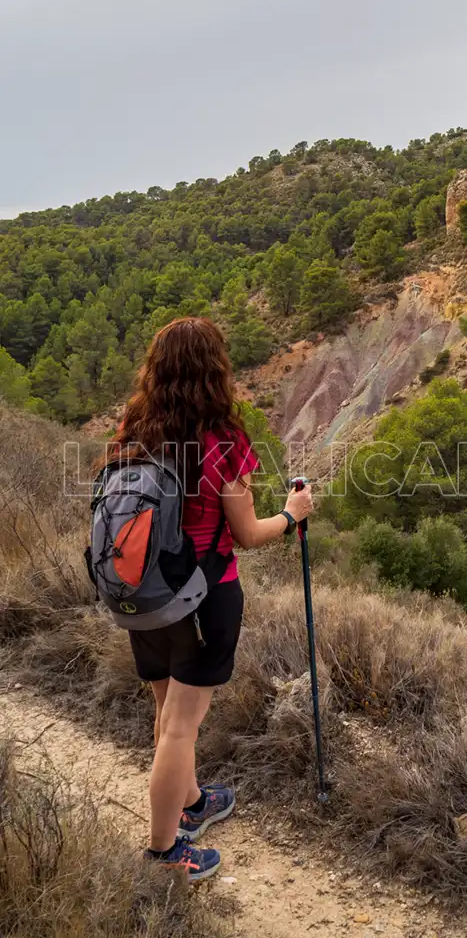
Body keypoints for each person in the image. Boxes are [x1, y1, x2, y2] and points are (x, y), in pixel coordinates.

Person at [110, 316, 313, 880]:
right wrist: (292, 516)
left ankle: (193, 803)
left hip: (144, 593)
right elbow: (247, 534)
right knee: (180, 726)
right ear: (215, 368)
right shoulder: (225, 439)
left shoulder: (134, 427)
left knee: (167, 712)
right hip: (203, 596)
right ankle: (164, 852)